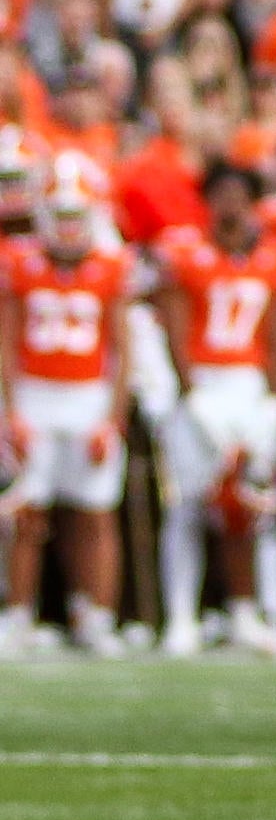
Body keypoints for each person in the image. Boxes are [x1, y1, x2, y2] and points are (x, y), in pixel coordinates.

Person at [150, 162, 276, 658]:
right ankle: (180, 616)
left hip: (249, 387)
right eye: (221, 194)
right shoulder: (185, 253)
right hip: (202, 385)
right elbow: (173, 326)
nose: (230, 204)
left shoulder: (275, 259)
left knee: (251, 509)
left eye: (239, 195)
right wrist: (187, 389)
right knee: (188, 505)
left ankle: (246, 612)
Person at [0, 182, 136, 654]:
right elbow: (7, 341)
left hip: (88, 396)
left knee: (95, 513)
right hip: (36, 394)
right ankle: (18, 614)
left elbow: (123, 349)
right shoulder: (21, 265)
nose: (68, 228)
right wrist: (11, 412)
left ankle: (95, 615)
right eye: (59, 217)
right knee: (25, 512)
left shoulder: (111, 269)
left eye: (76, 217)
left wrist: (113, 418)